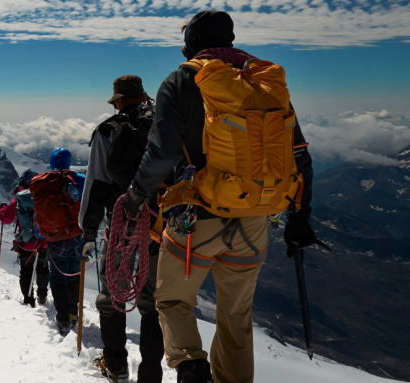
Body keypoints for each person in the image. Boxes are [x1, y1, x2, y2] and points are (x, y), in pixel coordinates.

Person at [120, 10, 317, 383]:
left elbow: (160, 153)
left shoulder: (181, 79)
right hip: (254, 217)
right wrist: (300, 217)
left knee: (173, 301)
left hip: (195, 218)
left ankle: (192, 367)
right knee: (236, 315)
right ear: (230, 39)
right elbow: (298, 153)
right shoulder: (264, 81)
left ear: (190, 45)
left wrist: (135, 195)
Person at [79, 75, 163, 383]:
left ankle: (115, 365)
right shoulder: (165, 125)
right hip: (160, 224)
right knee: (153, 302)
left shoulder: (107, 131)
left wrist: (87, 232)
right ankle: (150, 375)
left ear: (117, 101)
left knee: (113, 293)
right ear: (143, 96)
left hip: (122, 224)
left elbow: (95, 185)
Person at [30, 147, 85, 336]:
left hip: (54, 238)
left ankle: (62, 318)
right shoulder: (79, 180)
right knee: (75, 275)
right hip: (77, 236)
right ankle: (72, 312)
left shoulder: (42, 183)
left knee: (58, 277)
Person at [0, 170, 50, 307]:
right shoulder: (45, 196)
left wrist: (2, 208)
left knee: (26, 272)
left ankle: (28, 300)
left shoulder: (19, 198)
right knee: (43, 268)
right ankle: (42, 295)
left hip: (26, 243)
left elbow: (6, 218)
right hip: (43, 242)